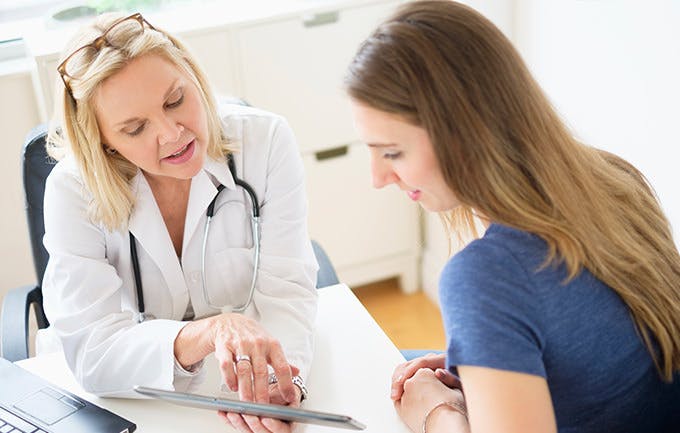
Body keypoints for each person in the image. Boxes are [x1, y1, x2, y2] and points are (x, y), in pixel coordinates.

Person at [344, 1, 680, 432]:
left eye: (392, 152)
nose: (378, 177)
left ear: (462, 135)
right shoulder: (615, 178)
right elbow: (607, 336)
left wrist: (436, 412)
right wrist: (490, 359)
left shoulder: (487, 275)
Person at [40, 11, 317, 433]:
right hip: (141, 403)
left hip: (246, 386)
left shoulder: (265, 143)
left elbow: (287, 293)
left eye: (175, 101)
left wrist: (283, 383)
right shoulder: (72, 191)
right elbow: (93, 352)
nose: (172, 135)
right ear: (102, 140)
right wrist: (207, 333)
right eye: (134, 128)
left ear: (193, 76)